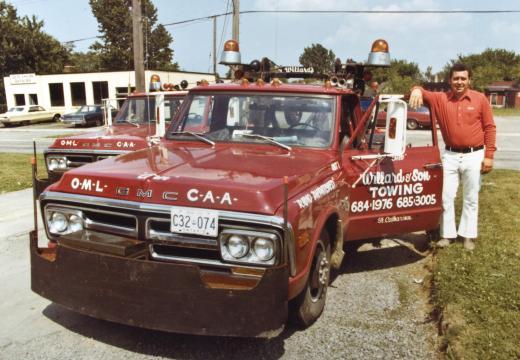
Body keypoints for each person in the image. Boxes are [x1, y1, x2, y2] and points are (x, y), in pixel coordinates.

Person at [409, 63, 496, 251]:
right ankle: (447, 235)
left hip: (474, 155)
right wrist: (416, 89)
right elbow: (419, 92)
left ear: (469, 80)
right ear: (450, 80)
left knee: (471, 197)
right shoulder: (441, 98)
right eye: (456, 78)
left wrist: (488, 156)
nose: (459, 82)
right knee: (446, 196)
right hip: (450, 155)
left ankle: (468, 236)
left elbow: (490, 128)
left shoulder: (480, 99)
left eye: (463, 78)